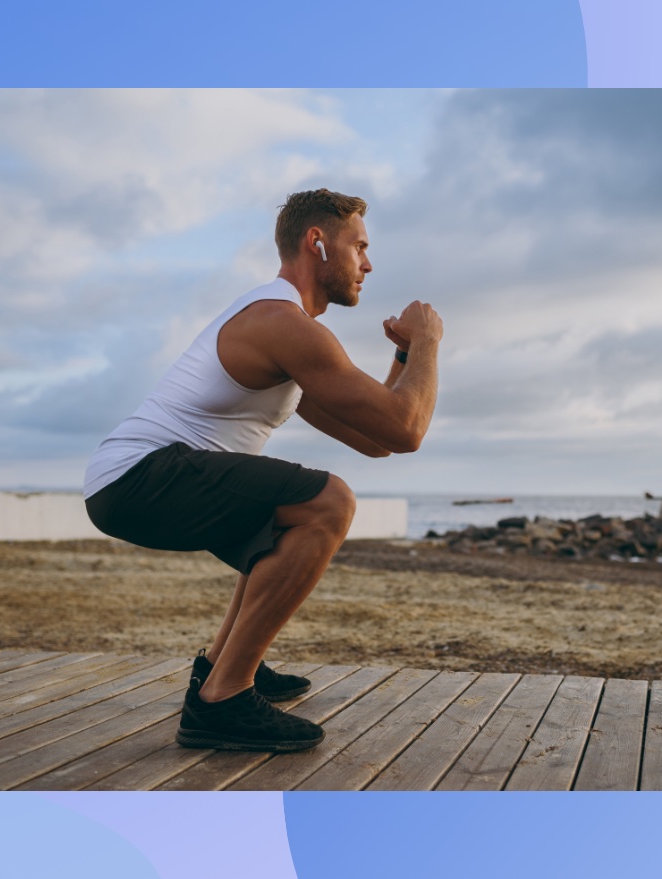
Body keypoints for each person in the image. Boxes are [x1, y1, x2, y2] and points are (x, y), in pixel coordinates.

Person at [83, 189, 442, 752]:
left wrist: (400, 359)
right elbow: (408, 428)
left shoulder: (286, 333)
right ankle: (222, 701)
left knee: (286, 519)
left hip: (128, 482)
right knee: (330, 502)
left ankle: (222, 666)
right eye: (360, 248)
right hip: (138, 475)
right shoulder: (281, 323)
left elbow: (379, 442)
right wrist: (427, 343)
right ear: (316, 243)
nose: (368, 265)